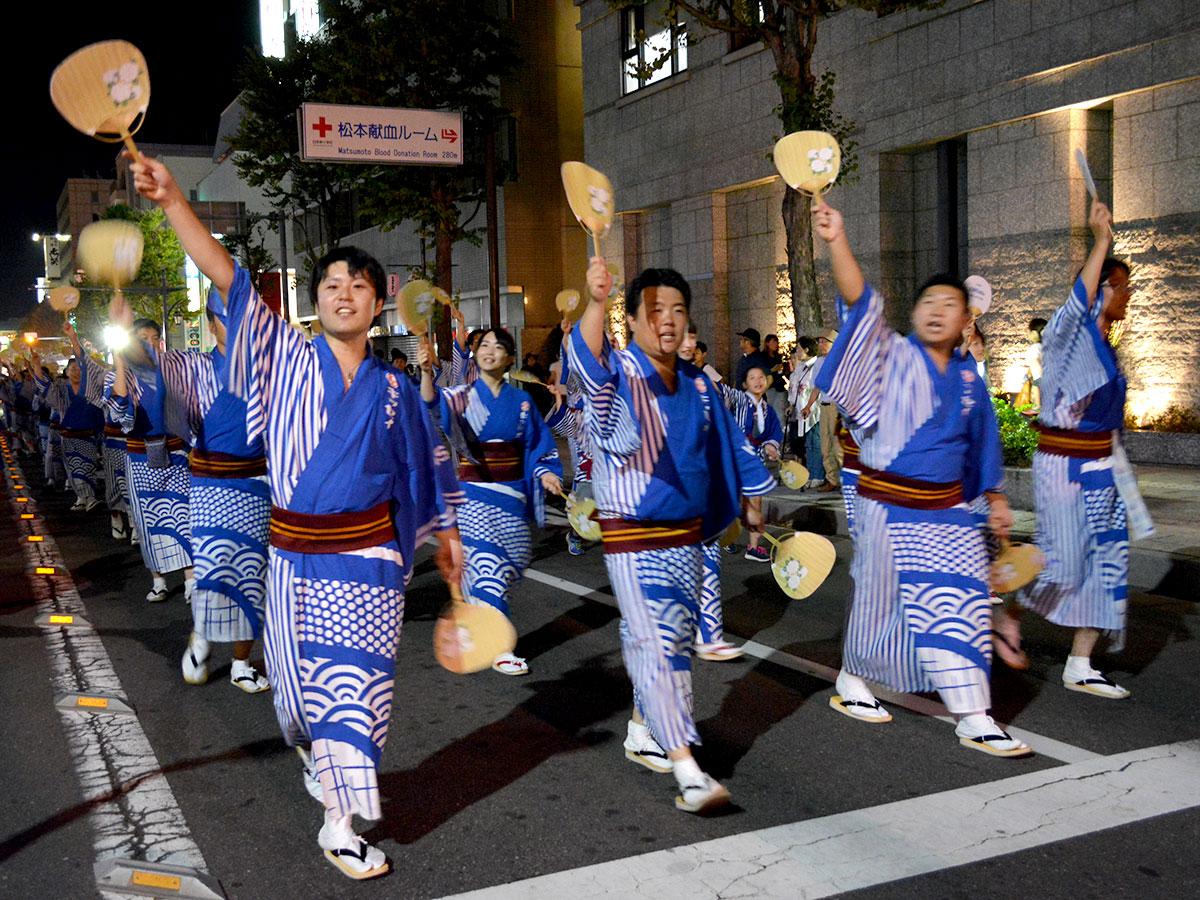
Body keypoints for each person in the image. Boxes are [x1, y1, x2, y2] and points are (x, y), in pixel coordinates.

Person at [130, 153, 462, 880]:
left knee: (357, 691)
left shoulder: (398, 392)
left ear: (379, 304)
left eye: (360, 285)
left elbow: (424, 471)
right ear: (316, 302)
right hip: (291, 560)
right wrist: (175, 203)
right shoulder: (283, 357)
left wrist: (448, 540)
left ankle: (340, 824)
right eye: (333, 285)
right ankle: (321, 757)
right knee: (297, 693)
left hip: (367, 563)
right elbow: (229, 278)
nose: (345, 293)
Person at [812, 198, 1029, 757]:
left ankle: (973, 713)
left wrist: (997, 495)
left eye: (949, 304)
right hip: (887, 505)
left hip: (949, 511)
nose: (936, 309)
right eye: (928, 301)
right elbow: (861, 304)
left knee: (961, 600)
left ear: (965, 320)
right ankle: (853, 679)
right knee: (881, 601)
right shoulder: (892, 359)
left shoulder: (969, 381)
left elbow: (981, 444)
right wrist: (837, 239)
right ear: (915, 314)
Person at [568, 259, 774, 814]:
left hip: (687, 537)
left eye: (677, 311)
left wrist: (752, 504)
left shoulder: (701, 390)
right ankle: (689, 769)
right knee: (657, 643)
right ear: (632, 321)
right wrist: (593, 301)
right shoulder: (619, 377)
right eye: (654, 310)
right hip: (632, 536)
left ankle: (643, 729)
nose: (667, 321)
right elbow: (586, 364)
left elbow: (731, 451)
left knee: (671, 643)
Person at [1011, 200, 1137, 700]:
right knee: (1062, 563)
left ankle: (1080, 663)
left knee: (1108, 559)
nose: (1128, 295)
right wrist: (1100, 240)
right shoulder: (1070, 334)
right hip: (1064, 466)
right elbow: (1076, 300)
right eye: (1122, 285)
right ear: (1103, 288)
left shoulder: (1106, 346)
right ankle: (1002, 613)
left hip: (1104, 466)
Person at [147, 288, 272, 695]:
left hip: (258, 484)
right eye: (224, 319)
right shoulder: (195, 366)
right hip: (209, 485)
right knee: (215, 569)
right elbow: (148, 367)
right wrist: (132, 341)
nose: (234, 327)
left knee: (253, 577)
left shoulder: (269, 369)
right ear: (211, 324)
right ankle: (202, 635)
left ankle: (240, 663)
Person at [419, 327, 563, 676]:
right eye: (484, 346)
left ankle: (477, 613)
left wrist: (546, 471)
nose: (490, 351)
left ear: (510, 358)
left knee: (511, 562)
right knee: (489, 565)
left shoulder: (523, 402)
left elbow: (539, 444)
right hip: (473, 495)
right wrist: (425, 372)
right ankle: (501, 647)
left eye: (499, 347)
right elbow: (431, 401)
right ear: (475, 354)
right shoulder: (461, 396)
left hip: (512, 494)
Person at [108, 315, 195, 604]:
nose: (147, 343)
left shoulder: (176, 367)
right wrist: (119, 361)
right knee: (148, 520)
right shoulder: (126, 373)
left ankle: (191, 579)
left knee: (183, 516)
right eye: (140, 338)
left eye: (151, 337)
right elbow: (118, 412)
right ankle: (158, 580)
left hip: (176, 452)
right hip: (140, 454)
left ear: (160, 340)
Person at [679, 327, 744, 662]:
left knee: (710, 563)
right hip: (669, 496)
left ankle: (711, 634)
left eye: (693, 338)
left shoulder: (705, 384)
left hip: (704, 489)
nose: (690, 344)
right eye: (683, 337)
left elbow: (725, 434)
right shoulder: (650, 381)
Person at [29, 325, 104, 511]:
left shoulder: (91, 388)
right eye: (72, 369)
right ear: (67, 372)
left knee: (86, 468)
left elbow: (85, 361)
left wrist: (73, 337)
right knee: (73, 469)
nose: (76, 371)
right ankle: (82, 498)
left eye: (79, 368)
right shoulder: (61, 390)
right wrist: (37, 365)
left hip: (87, 436)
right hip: (67, 437)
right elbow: (45, 387)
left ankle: (90, 497)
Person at [715, 366, 783, 561]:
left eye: (761, 377)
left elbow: (774, 433)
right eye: (752, 377)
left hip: (756, 460)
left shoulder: (767, 410)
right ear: (745, 383)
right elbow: (720, 388)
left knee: (755, 502)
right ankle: (723, 536)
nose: (757, 381)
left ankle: (752, 547)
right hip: (736, 458)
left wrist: (771, 446)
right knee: (733, 501)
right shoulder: (740, 398)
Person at [788, 337, 823, 481]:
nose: (797, 352)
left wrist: (809, 405)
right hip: (800, 409)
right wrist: (791, 404)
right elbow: (794, 385)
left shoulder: (815, 365)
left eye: (798, 349)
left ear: (807, 350)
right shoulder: (800, 366)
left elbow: (815, 388)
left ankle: (817, 476)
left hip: (813, 409)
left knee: (815, 443)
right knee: (807, 444)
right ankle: (810, 474)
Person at [815, 329, 843, 493]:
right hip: (823, 405)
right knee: (824, 445)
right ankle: (832, 479)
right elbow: (816, 386)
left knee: (838, 445)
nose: (821, 344)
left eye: (824, 341)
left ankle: (848, 481)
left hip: (836, 406)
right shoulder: (819, 362)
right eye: (819, 341)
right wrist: (808, 405)